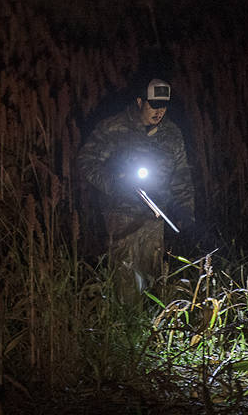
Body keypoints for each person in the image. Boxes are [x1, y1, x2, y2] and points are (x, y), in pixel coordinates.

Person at [77, 78, 195, 302]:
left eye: (163, 105)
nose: (159, 111)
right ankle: (124, 329)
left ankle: (151, 330)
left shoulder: (172, 134)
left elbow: (181, 175)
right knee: (125, 282)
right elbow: (86, 161)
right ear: (140, 102)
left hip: (155, 218)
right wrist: (113, 183)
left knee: (153, 283)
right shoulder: (114, 127)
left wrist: (186, 211)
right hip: (122, 217)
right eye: (153, 105)